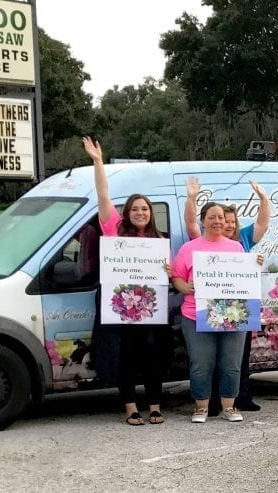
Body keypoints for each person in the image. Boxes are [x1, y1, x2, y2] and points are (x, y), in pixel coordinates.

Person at [86, 136, 172, 426]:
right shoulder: (113, 231)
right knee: (128, 359)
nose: (140, 213)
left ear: (151, 214)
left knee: (152, 359)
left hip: (150, 313)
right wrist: (98, 162)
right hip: (122, 313)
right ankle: (131, 407)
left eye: (145, 209)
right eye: (135, 209)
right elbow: (103, 197)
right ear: (127, 213)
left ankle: (155, 406)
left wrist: (168, 272)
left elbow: (165, 276)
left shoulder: (159, 240)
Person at [184, 177, 271, 413]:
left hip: (236, 307)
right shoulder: (198, 244)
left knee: (236, 361)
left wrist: (255, 262)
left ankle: (238, 398)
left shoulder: (240, 243)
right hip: (208, 309)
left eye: (230, 220)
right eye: (223, 219)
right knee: (209, 360)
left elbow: (263, 225)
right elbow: (191, 223)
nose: (227, 224)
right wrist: (191, 197)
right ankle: (210, 402)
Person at [170, 202, 249, 423]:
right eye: (212, 217)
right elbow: (176, 276)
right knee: (201, 363)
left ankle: (229, 407)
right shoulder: (189, 249)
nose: (217, 221)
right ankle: (201, 407)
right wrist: (185, 287)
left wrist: (255, 264)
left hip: (232, 314)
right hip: (196, 315)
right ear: (202, 221)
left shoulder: (236, 248)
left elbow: (244, 278)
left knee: (231, 363)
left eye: (221, 217)